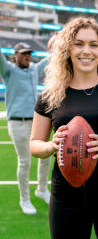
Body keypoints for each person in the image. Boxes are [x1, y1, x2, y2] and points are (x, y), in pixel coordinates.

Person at [29, 16, 98, 239]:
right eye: (78, 44)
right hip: (66, 196)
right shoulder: (50, 95)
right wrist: (52, 145)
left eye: (93, 44)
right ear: (67, 50)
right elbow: (34, 144)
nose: (86, 51)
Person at [0, 41, 51, 214]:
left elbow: (51, 58)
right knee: (24, 161)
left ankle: (42, 189)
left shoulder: (34, 69)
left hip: (36, 121)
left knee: (46, 156)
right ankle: (25, 199)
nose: (27, 56)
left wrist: (59, 41)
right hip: (17, 122)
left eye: (28, 53)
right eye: (23, 53)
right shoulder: (8, 71)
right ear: (15, 56)